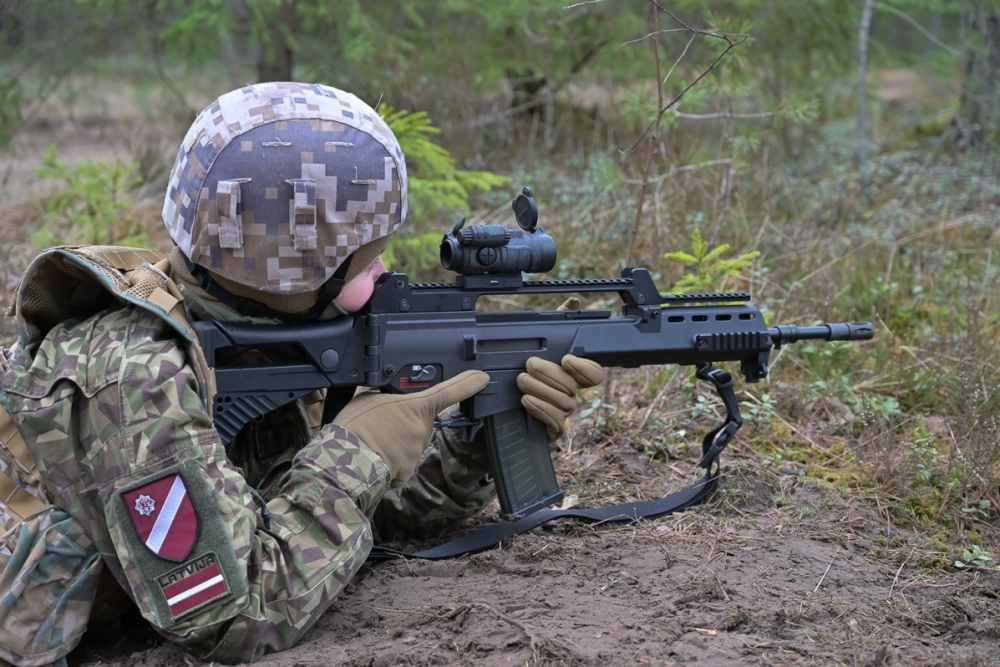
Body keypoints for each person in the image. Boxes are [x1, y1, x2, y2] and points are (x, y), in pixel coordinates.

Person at [0, 82, 603, 666]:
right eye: (365, 258)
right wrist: (356, 452)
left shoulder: (253, 332)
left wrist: (475, 440)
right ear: (292, 266)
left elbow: (333, 522)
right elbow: (233, 621)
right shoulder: (134, 378)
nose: (384, 267)